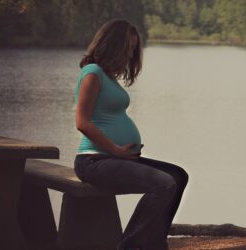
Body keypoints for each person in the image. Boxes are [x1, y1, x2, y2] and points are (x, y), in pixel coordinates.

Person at [73, 18, 189, 250]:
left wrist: (122, 152)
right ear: (113, 45)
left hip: (113, 159)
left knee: (178, 176)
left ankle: (154, 243)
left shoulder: (107, 77)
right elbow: (82, 122)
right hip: (94, 160)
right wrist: (116, 150)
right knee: (164, 183)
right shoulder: (92, 73)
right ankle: (128, 246)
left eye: (134, 49)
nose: (130, 55)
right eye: (128, 48)